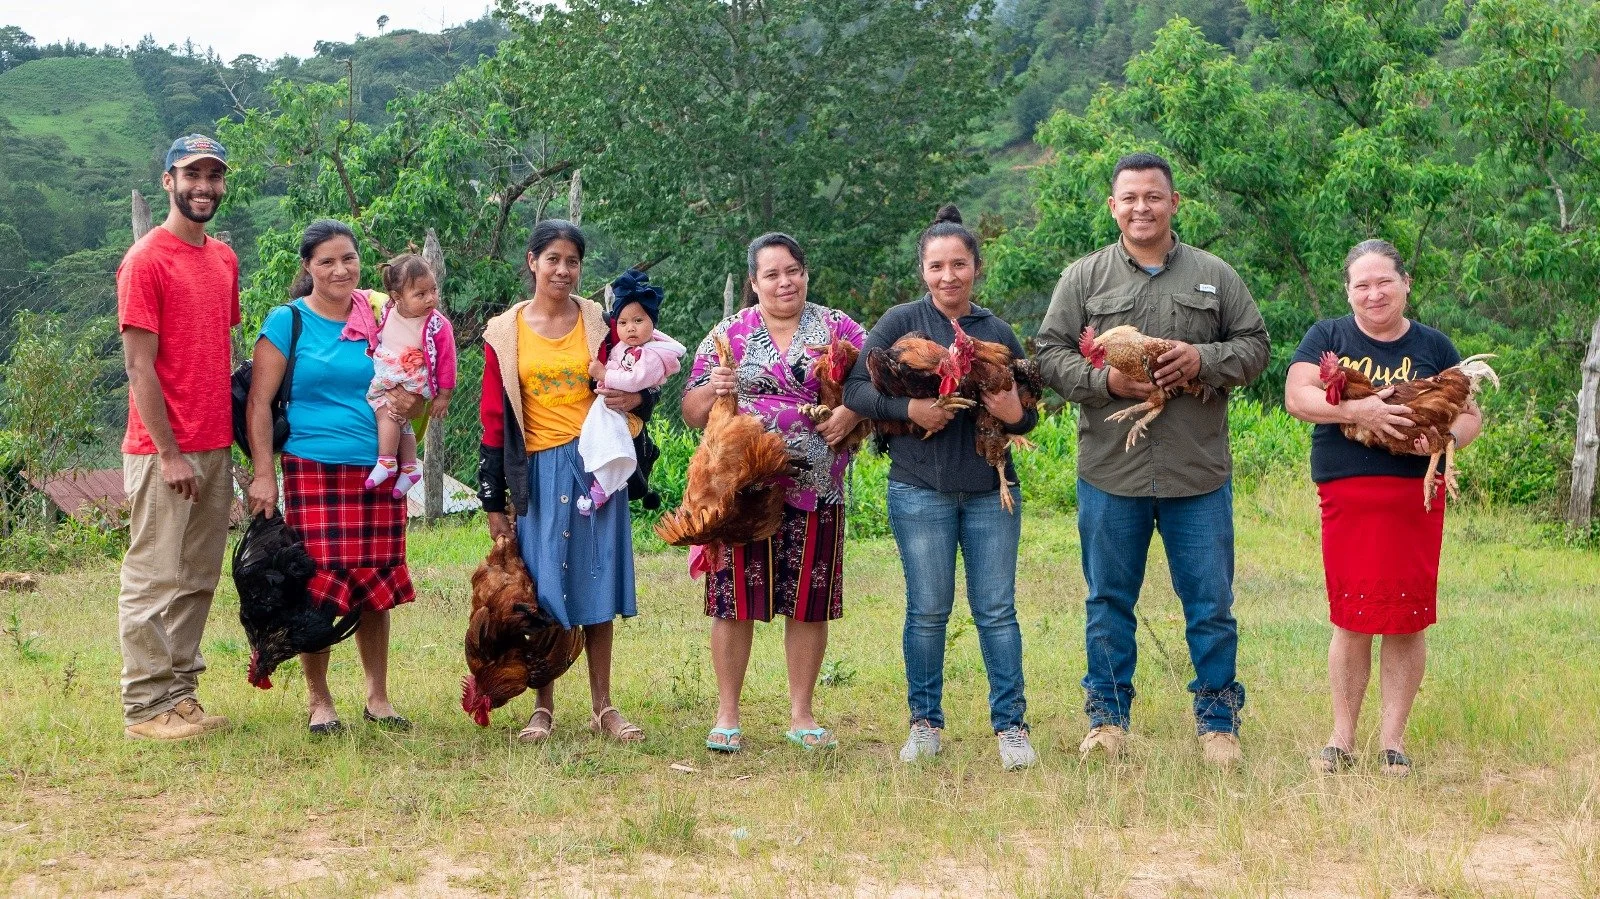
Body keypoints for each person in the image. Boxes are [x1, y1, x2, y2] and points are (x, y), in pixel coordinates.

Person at [1035, 152, 1269, 767]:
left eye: (1153, 197)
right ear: (1113, 207)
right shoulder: (1084, 280)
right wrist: (1107, 385)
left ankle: (1219, 722)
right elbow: (1050, 355)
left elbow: (1256, 346)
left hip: (1197, 469)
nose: (1142, 208)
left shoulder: (1216, 275)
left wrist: (1202, 361)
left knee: (1210, 602)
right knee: (1109, 598)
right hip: (1112, 469)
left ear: (1174, 203)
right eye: (1130, 198)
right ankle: (1108, 721)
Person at [842, 205, 1040, 771]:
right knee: (927, 610)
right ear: (922, 271)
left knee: (997, 611)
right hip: (919, 489)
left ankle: (1011, 726)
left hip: (989, 489)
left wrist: (1014, 413)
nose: (948, 276)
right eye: (936, 266)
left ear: (976, 267)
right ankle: (925, 724)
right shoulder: (899, 324)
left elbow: (1026, 410)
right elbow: (856, 389)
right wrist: (911, 408)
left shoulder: (996, 332)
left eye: (959, 264)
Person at [1283, 239, 1480, 778]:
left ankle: (1392, 741)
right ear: (1347, 290)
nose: (1373, 293)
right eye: (1361, 285)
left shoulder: (1434, 344)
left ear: (1405, 283)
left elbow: (1468, 417)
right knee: (1351, 616)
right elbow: (1298, 397)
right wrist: (1358, 410)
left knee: (1407, 618)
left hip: (1415, 494)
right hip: (1348, 491)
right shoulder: (1327, 336)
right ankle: (1341, 739)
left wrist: (1441, 442)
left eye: (1383, 282)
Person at [682, 232, 867, 753]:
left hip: (816, 487)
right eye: (772, 274)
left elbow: (879, 378)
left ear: (806, 272)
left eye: (793, 271)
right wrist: (716, 388)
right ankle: (727, 716)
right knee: (732, 602)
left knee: (807, 602)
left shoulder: (837, 328)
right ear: (754, 282)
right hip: (742, 489)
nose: (785, 282)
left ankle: (802, 715)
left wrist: (852, 410)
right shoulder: (728, 335)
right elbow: (692, 412)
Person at [477, 219, 654, 744]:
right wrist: (493, 500)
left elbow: (644, 373)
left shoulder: (602, 322)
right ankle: (543, 704)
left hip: (597, 465)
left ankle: (604, 705)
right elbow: (492, 419)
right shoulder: (503, 333)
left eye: (572, 261)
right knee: (543, 589)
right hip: (536, 469)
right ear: (532, 262)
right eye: (552, 258)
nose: (562, 269)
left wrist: (636, 400)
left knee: (599, 578)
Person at [246, 219, 422, 736]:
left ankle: (378, 697)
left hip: (377, 468)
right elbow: (259, 404)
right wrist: (263, 474)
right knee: (317, 585)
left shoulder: (381, 317)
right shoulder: (288, 321)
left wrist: (414, 400)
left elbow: (413, 374)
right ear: (308, 268)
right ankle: (319, 700)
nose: (340, 269)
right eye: (327, 261)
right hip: (312, 467)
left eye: (348, 258)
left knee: (376, 581)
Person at [116, 134, 239, 741]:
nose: (204, 187)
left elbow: (219, 347)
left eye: (213, 176)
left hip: (215, 443)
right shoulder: (146, 260)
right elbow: (140, 366)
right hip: (163, 448)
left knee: (197, 577)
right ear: (168, 181)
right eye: (192, 175)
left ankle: (181, 692)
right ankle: (144, 705)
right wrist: (168, 453)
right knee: (153, 575)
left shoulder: (223, 259)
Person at [578, 268, 684, 512]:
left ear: (652, 323)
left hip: (625, 414)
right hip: (607, 404)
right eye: (623, 323)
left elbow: (635, 380)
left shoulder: (653, 354)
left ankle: (603, 486)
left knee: (611, 443)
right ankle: (602, 482)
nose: (631, 328)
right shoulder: (623, 345)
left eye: (639, 321)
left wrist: (604, 375)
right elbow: (617, 364)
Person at [363, 253, 458, 498]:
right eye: (420, 294)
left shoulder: (437, 324)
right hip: (393, 368)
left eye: (433, 290)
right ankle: (409, 466)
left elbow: (448, 361)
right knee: (401, 419)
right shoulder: (387, 310)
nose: (431, 299)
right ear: (397, 298)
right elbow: (367, 297)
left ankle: (386, 460)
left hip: (411, 373)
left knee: (386, 409)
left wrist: (444, 396)